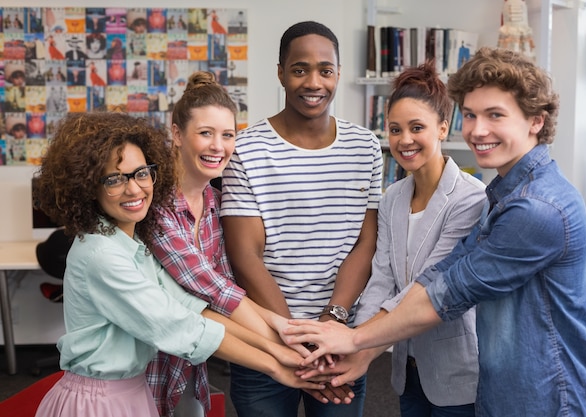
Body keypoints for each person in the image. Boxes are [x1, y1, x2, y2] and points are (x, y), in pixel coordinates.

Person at [284, 47, 586, 416]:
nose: (478, 130)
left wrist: (354, 338)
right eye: (472, 115)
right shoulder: (503, 194)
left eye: (495, 115)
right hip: (509, 391)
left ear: (535, 122)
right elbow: (439, 276)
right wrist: (359, 348)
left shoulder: (536, 208)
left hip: (554, 399)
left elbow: (447, 294)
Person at [32, 112, 323, 417]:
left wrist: (279, 350)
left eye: (141, 173)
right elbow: (180, 327)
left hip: (130, 390)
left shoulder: (132, 245)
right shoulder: (101, 255)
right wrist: (277, 366)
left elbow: (189, 305)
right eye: (115, 179)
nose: (134, 189)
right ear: (89, 186)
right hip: (97, 401)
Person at [220, 20, 383, 417]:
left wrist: (331, 323)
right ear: (280, 73)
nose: (314, 81)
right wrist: (295, 337)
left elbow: (366, 242)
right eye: (299, 69)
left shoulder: (366, 147)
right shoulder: (246, 150)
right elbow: (245, 256)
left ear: (338, 74)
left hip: (341, 339)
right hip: (264, 337)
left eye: (325, 70)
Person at [146, 71, 313, 417]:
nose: (218, 147)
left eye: (227, 135)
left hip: (191, 364)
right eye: (205, 133)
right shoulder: (154, 205)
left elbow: (227, 293)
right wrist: (287, 347)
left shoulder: (217, 203)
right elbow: (212, 290)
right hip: (144, 364)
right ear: (176, 134)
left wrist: (285, 336)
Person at [354, 62, 485, 417]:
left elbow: (429, 287)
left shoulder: (471, 199)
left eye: (417, 128)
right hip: (406, 369)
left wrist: (357, 344)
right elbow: (381, 278)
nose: (404, 140)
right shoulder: (392, 197)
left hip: (456, 371)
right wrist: (355, 341)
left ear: (443, 128)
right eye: (395, 129)